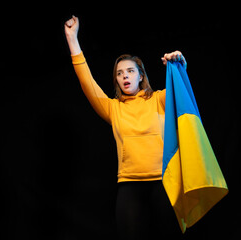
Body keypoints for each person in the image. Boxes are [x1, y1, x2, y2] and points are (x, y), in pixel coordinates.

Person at [64, 16, 186, 239]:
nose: (124, 76)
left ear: (141, 76)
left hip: (164, 184)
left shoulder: (159, 100)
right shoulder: (113, 108)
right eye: (119, 74)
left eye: (129, 71)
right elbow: (86, 81)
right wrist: (72, 39)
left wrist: (179, 65)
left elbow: (182, 92)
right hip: (129, 188)